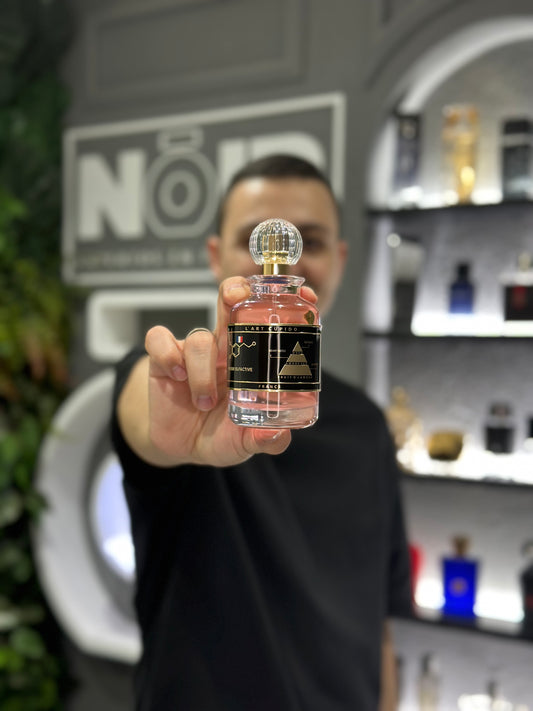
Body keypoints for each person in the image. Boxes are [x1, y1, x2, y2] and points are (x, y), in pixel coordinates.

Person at [111, 154, 412, 711]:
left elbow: (380, 628)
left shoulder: (368, 425)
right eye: (255, 239)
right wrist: (176, 419)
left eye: (310, 242)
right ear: (215, 256)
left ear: (340, 259)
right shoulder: (181, 393)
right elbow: (140, 413)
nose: (283, 263)